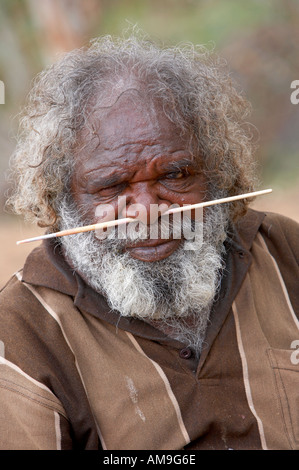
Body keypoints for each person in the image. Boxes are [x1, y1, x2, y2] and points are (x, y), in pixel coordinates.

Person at [0, 32, 298, 451]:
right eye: (113, 186)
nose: (146, 212)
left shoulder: (284, 251)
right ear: (61, 197)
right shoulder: (21, 329)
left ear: (216, 175)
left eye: (175, 175)